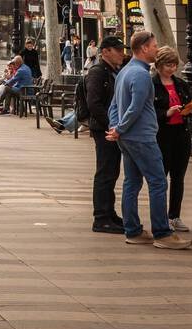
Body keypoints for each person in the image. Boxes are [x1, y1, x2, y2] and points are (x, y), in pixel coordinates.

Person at [106, 30, 191, 249]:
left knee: (131, 182)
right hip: (141, 136)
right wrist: (120, 128)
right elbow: (135, 108)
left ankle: (133, 230)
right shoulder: (142, 74)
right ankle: (162, 233)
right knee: (158, 182)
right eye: (154, 46)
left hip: (127, 137)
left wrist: (116, 128)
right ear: (144, 48)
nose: (156, 49)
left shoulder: (124, 71)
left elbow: (114, 105)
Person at [79, 36, 125, 234]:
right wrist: (111, 125)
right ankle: (101, 217)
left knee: (111, 172)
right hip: (104, 129)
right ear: (105, 51)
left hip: (111, 128)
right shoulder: (98, 73)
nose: (121, 53)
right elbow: (94, 104)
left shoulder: (113, 71)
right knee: (105, 172)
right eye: (117, 50)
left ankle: (109, 212)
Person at [152, 47, 192, 233]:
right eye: (168, 65)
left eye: (174, 65)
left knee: (179, 177)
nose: (172, 68)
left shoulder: (181, 84)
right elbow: (148, 111)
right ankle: (161, 218)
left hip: (181, 133)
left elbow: (190, 101)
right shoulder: (152, 85)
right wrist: (166, 113)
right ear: (159, 65)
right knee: (162, 177)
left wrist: (190, 108)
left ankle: (174, 216)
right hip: (163, 134)